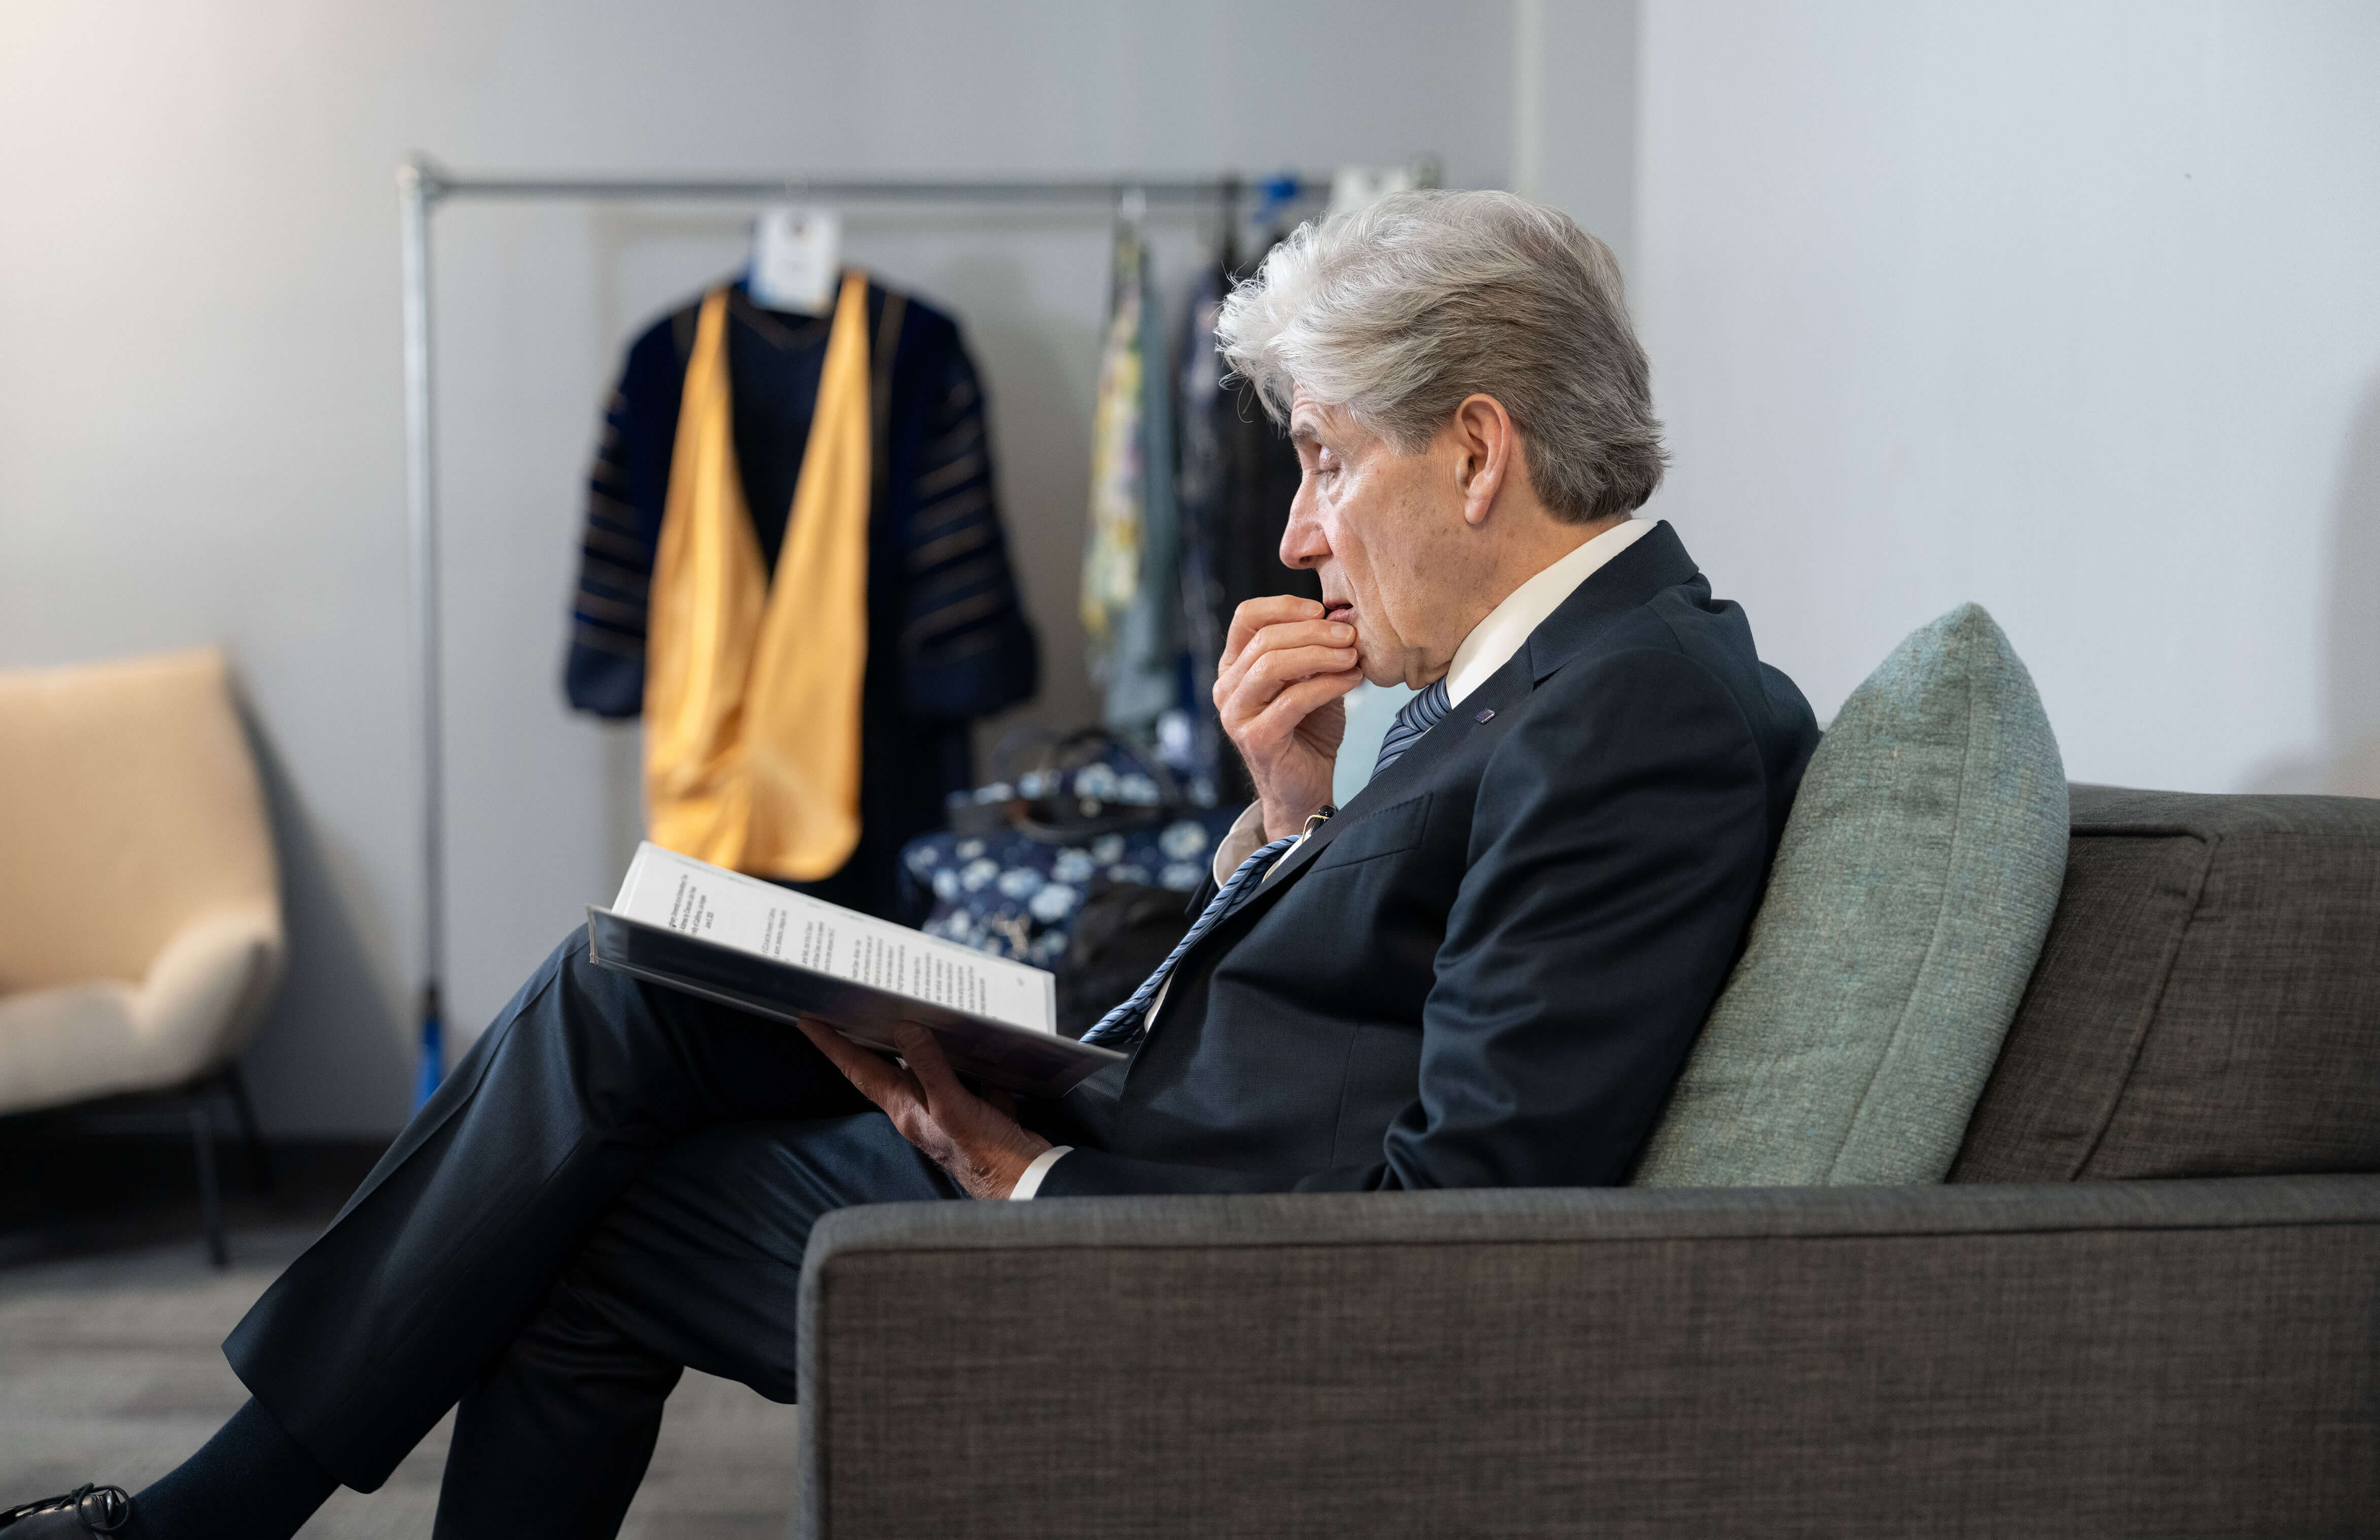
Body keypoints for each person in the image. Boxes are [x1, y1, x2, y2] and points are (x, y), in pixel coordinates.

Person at [1, 191, 1819, 1539]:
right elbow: (1372, 999)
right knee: (628, 974)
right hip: (1127, 1113)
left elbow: (1463, 1220)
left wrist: (1031, 1183)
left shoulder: (1634, 719)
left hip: (1157, 1241)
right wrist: (1285, 822)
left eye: (1326, 465)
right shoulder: (1557, 682)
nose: (1292, 530)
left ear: (1479, 455)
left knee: (583, 1207)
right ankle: (195, 1526)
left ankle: (191, 1529)